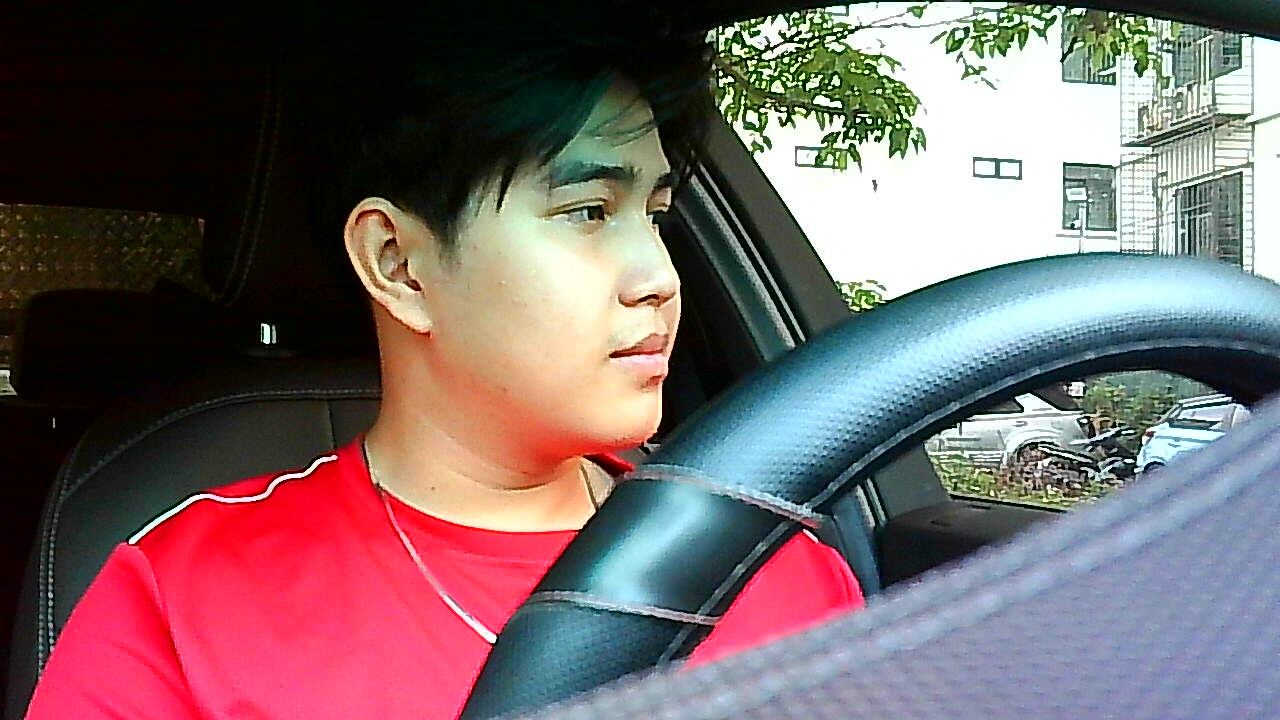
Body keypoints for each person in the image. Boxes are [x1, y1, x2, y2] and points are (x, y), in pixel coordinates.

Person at [25, 7, 863, 719]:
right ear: (398, 264)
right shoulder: (179, 604)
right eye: (587, 211)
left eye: (655, 214)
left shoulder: (770, 563)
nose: (660, 277)